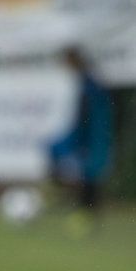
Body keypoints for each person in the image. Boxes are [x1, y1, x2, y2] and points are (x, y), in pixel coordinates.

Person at [48, 45, 113, 237]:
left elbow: (86, 114)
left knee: (91, 172)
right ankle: (66, 198)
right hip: (89, 133)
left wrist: (81, 140)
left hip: (92, 135)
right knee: (56, 151)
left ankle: (85, 214)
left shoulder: (90, 85)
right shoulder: (87, 81)